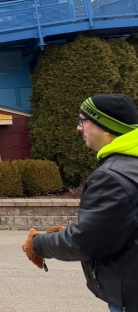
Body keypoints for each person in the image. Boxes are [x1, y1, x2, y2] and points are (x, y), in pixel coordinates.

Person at [22, 94, 138, 312]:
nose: (78, 128)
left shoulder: (111, 177)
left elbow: (84, 242)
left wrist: (37, 244)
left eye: (83, 121)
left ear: (106, 127)